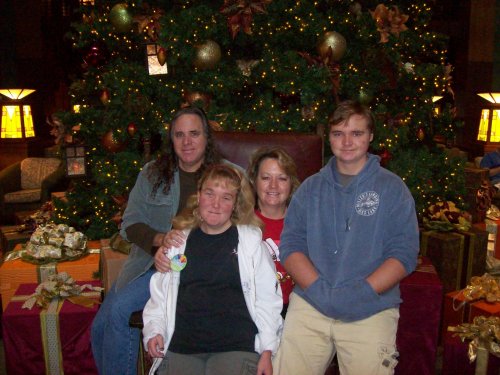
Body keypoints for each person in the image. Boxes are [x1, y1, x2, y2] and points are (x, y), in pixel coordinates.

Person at [273, 100, 419, 375]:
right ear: (329, 138)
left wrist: (359, 292)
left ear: (371, 136)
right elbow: (291, 245)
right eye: (339, 133)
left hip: (370, 307)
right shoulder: (310, 188)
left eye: (357, 133)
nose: (347, 141)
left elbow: (403, 253)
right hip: (312, 302)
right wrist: (318, 290)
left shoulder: (392, 189)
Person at [91, 106, 228, 374]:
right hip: (151, 264)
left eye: (194, 133)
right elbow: (129, 224)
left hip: (198, 268)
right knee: (100, 325)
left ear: (206, 137)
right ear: (171, 140)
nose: (187, 142)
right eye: (179, 135)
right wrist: (159, 241)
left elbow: (242, 225)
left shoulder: (227, 175)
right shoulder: (152, 173)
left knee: (118, 311)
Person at [142, 164, 283, 375]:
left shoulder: (250, 243)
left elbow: (268, 300)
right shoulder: (178, 242)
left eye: (226, 197)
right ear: (198, 196)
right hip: (183, 346)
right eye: (210, 193)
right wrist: (154, 332)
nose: (216, 204)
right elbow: (159, 298)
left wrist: (267, 350)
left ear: (234, 204)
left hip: (236, 347)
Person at [247, 146, 300, 316]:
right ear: (254, 181)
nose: (273, 185)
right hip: (254, 309)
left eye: (282, 178)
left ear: (291, 184)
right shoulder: (241, 224)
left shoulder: (305, 224)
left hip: (296, 310)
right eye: (265, 178)